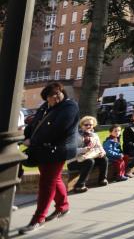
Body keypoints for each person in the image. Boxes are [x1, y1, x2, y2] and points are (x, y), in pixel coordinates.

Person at [19, 82, 79, 234]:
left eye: (57, 93)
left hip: (58, 150)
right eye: (51, 96)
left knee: (47, 183)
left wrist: (33, 141)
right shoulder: (45, 106)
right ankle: (63, 206)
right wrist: (27, 136)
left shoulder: (69, 107)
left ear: (62, 92)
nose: (55, 97)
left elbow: (58, 129)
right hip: (43, 149)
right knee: (54, 178)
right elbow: (34, 124)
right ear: (46, 98)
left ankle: (38, 219)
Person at [68, 115, 108, 193]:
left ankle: (102, 179)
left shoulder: (94, 135)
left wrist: (102, 152)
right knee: (90, 161)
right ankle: (79, 186)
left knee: (104, 159)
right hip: (74, 161)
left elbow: (100, 147)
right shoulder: (76, 136)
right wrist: (83, 150)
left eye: (91, 125)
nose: (89, 126)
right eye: (86, 125)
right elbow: (70, 150)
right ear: (82, 125)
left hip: (89, 157)